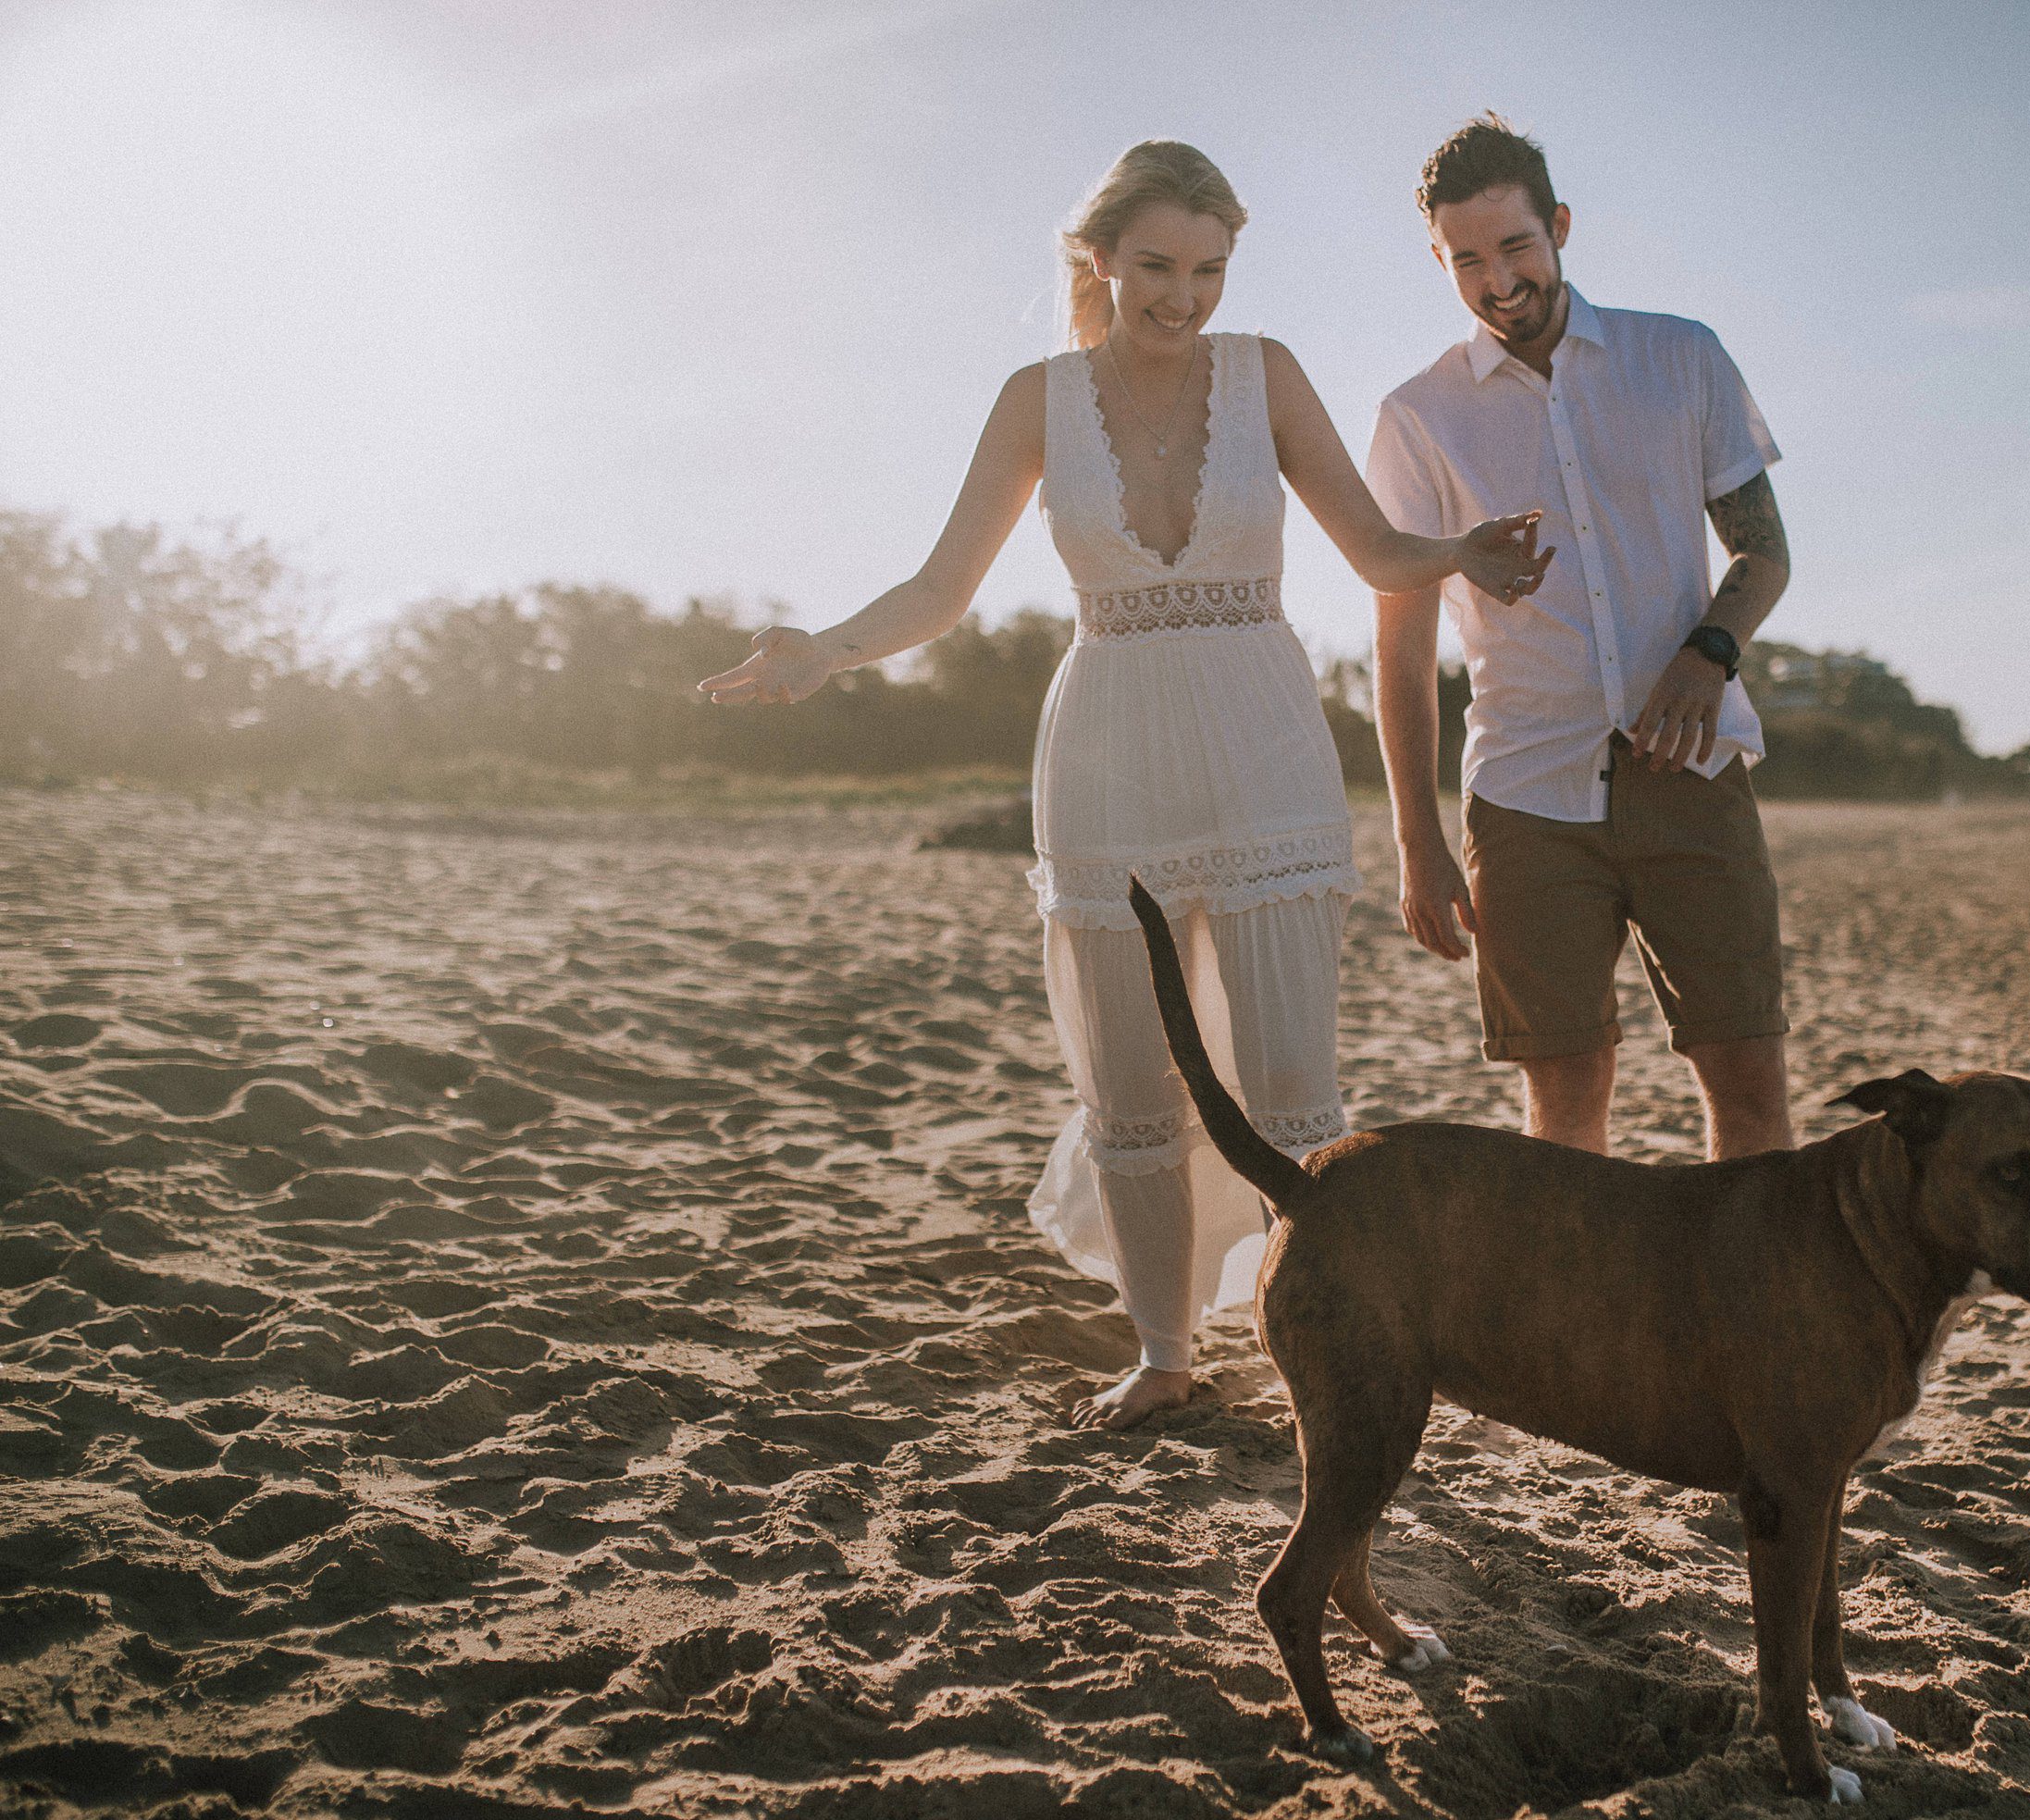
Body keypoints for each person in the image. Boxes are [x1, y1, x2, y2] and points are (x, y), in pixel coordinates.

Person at [701, 141, 1550, 1429]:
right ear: (1099, 256)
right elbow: (942, 590)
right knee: (1134, 1088)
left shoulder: (1263, 374)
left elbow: (1376, 549)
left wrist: (1460, 552)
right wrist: (822, 649)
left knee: (1291, 1090)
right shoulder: (1034, 398)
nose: (1182, 294)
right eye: (1156, 265)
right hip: (1103, 754)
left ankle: (1317, 1343)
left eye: (1208, 268)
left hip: (1262, 745)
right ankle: (1162, 1349)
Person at [1367, 115, 1796, 1162]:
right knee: (1561, 1110)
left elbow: (1764, 552)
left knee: (1746, 1079)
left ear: (1558, 226)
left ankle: (1753, 1326)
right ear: (1439, 259)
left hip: (1690, 772)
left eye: (1514, 246)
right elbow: (1403, 648)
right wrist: (1418, 843)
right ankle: (1574, 1329)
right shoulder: (1417, 418)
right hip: (1524, 800)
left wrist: (1708, 656)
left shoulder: (1679, 358)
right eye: (1465, 258)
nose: (1496, 280)